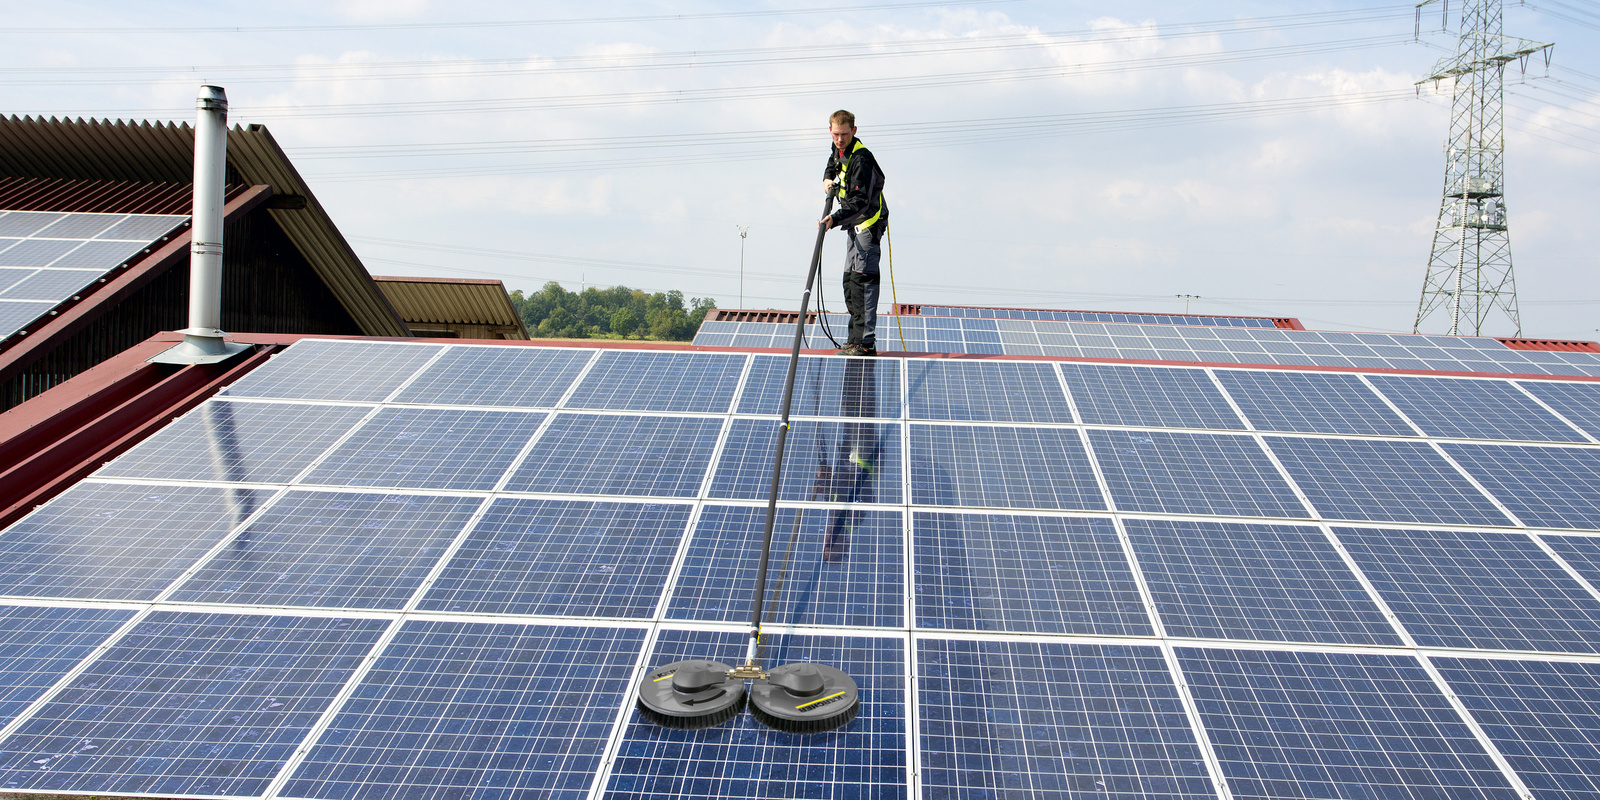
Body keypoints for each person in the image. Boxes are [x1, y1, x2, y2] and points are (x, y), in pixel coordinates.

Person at [819, 109, 888, 357]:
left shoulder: (862, 158)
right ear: (831, 131)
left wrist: (833, 219)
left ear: (854, 132)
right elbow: (831, 164)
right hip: (853, 225)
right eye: (836, 134)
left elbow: (859, 200)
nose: (839, 139)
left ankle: (865, 343)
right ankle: (853, 339)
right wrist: (827, 180)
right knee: (849, 281)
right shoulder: (838, 150)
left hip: (867, 224)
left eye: (844, 135)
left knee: (863, 282)